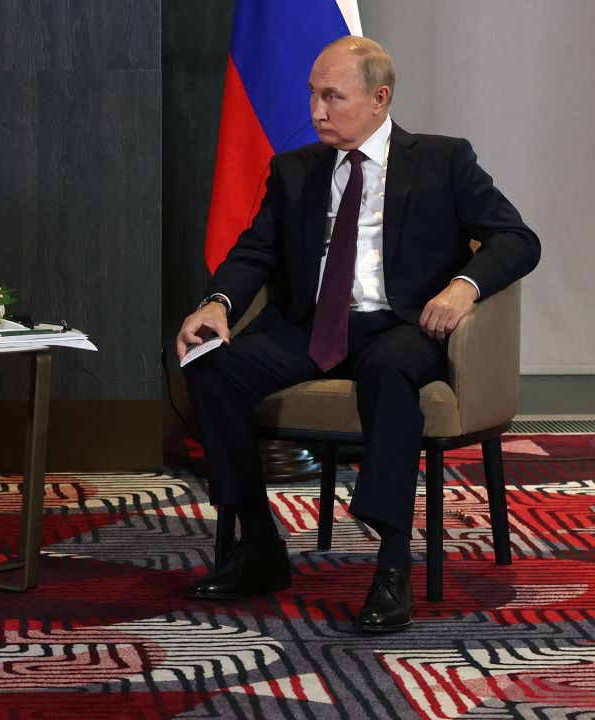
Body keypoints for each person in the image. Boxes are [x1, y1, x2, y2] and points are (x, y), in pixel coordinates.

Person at [175, 36, 539, 633]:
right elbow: (255, 253)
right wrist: (217, 304)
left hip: (401, 326)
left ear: (379, 98)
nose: (316, 111)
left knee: (388, 370)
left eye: (332, 97)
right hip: (312, 326)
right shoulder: (294, 170)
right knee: (209, 364)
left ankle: (392, 565)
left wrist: (463, 287)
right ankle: (259, 545)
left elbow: (518, 239)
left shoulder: (443, 161)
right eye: (313, 95)